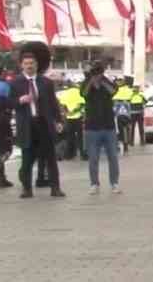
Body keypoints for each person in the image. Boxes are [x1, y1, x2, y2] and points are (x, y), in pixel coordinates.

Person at [11, 41, 65, 199]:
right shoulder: (15, 83)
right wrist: (20, 100)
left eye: (32, 63)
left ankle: (55, 188)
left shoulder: (46, 82)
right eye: (26, 63)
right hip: (27, 125)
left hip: (44, 124)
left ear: (36, 64)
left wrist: (59, 120)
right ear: (21, 65)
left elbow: (53, 103)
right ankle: (27, 189)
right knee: (27, 159)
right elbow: (8, 103)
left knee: (50, 158)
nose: (29, 66)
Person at [81, 59, 121, 195]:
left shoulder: (107, 82)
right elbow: (84, 93)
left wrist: (102, 80)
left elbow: (114, 91)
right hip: (92, 128)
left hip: (109, 127)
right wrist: (92, 81)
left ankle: (114, 183)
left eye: (98, 71)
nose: (96, 74)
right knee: (93, 158)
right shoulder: (86, 84)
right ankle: (94, 184)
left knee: (113, 157)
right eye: (95, 71)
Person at [57, 77, 85, 161]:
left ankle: (70, 154)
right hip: (78, 117)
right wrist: (75, 111)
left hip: (69, 118)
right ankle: (83, 154)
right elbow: (82, 104)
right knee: (80, 137)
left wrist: (67, 113)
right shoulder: (80, 92)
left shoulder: (65, 93)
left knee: (70, 137)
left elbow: (62, 105)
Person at [113, 78, 134, 152]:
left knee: (121, 128)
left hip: (122, 109)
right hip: (122, 109)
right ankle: (121, 145)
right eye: (118, 81)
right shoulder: (125, 89)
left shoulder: (122, 89)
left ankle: (123, 144)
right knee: (119, 129)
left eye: (120, 81)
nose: (119, 82)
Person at [126, 80, 146, 147]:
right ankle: (131, 142)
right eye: (135, 87)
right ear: (133, 88)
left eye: (137, 87)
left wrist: (143, 107)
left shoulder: (141, 95)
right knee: (132, 128)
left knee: (141, 128)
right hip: (132, 114)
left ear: (139, 88)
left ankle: (142, 141)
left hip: (140, 114)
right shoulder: (130, 95)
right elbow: (127, 103)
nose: (136, 88)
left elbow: (145, 102)